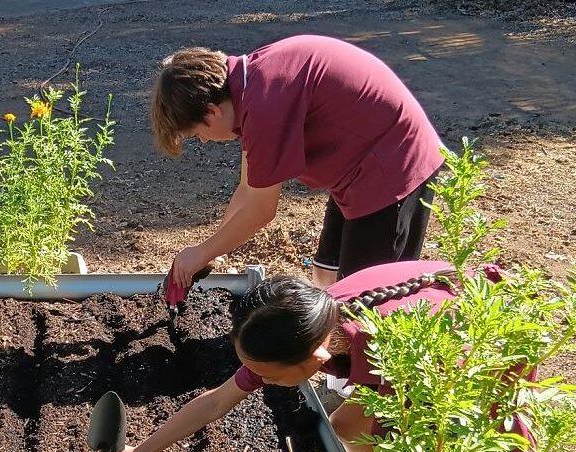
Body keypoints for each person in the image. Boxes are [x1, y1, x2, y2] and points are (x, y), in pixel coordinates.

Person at [95, 260, 540, 452]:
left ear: (316, 358)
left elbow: (364, 426)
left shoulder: (392, 356)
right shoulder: (301, 323)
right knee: (355, 426)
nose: (257, 380)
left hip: (471, 354)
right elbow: (214, 401)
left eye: (266, 374)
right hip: (416, 328)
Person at [151, 36, 445, 290]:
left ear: (212, 112)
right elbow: (247, 189)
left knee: (365, 298)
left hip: (394, 165)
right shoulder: (248, 85)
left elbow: (261, 209)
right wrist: (212, 252)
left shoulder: (264, 105)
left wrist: (199, 254)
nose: (203, 140)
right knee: (327, 276)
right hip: (357, 166)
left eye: (196, 133)